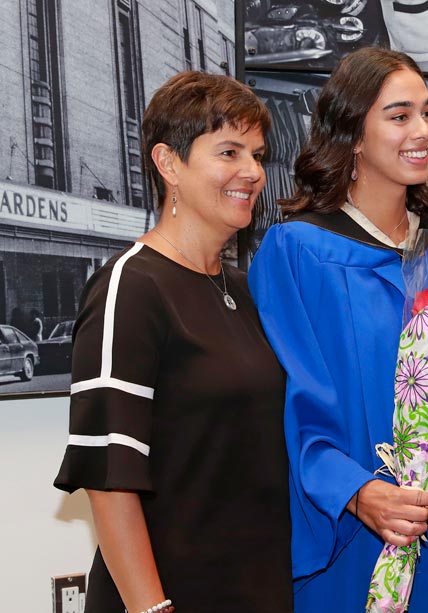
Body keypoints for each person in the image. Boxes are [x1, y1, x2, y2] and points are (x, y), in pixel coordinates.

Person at [249, 47, 428, 613]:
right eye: (399, 115)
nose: (424, 130)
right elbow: (288, 406)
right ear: (353, 136)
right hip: (354, 535)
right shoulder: (298, 251)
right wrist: (356, 492)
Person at [54, 71, 292, 613]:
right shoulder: (130, 286)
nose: (252, 172)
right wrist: (151, 608)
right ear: (168, 165)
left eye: (256, 154)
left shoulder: (242, 288)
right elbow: (108, 475)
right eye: (228, 152)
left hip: (257, 591)